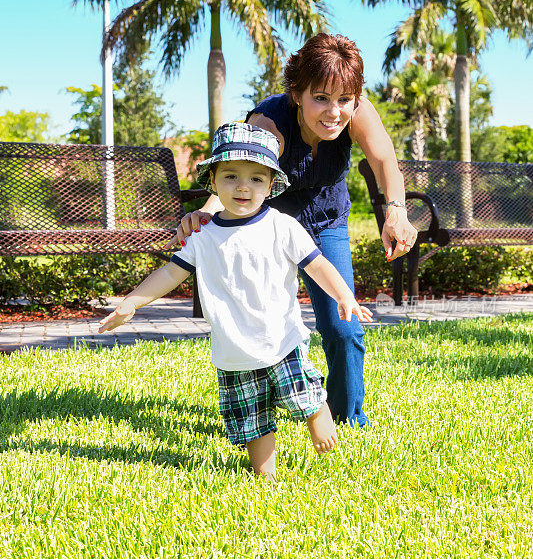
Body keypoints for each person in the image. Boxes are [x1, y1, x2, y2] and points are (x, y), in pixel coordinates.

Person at [165, 33, 417, 428]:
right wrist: (206, 214)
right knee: (264, 327)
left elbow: (385, 160)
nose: (334, 112)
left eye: (344, 99)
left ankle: (347, 417)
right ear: (297, 93)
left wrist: (396, 212)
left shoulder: (358, 110)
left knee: (341, 324)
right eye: (321, 98)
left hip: (327, 221)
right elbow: (240, 179)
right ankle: (269, 399)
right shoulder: (269, 124)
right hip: (270, 228)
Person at [99, 123, 373, 480]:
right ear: (212, 182)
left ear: (271, 186)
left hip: (281, 340)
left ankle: (318, 414)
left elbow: (318, 264)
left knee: (301, 391)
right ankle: (266, 475)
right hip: (232, 350)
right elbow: (170, 273)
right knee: (251, 420)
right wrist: (132, 301)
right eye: (230, 176)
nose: (243, 186)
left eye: (257, 179)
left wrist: (344, 296)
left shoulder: (282, 226)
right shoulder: (203, 235)